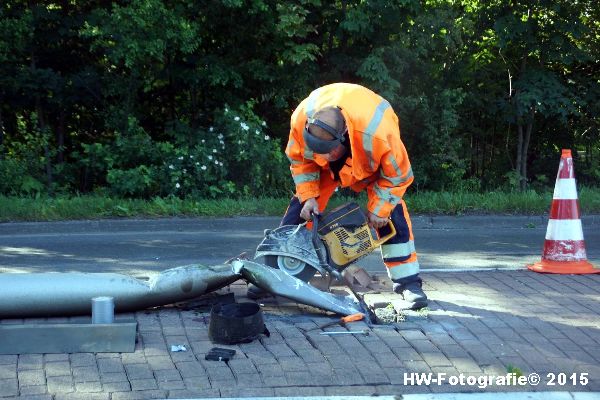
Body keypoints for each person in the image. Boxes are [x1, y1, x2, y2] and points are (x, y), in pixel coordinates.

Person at [249, 83, 427, 309]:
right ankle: (272, 277)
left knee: (392, 216)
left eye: (328, 150)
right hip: (323, 169)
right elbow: (300, 161)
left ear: (342, 135)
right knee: (300, 213)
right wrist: (308, 196)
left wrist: (379, 209)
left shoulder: (379, 136)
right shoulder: (301, 119)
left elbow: (399, 175)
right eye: (317, 149)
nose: (323, 155)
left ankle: (408, 284)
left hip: (368, 164)